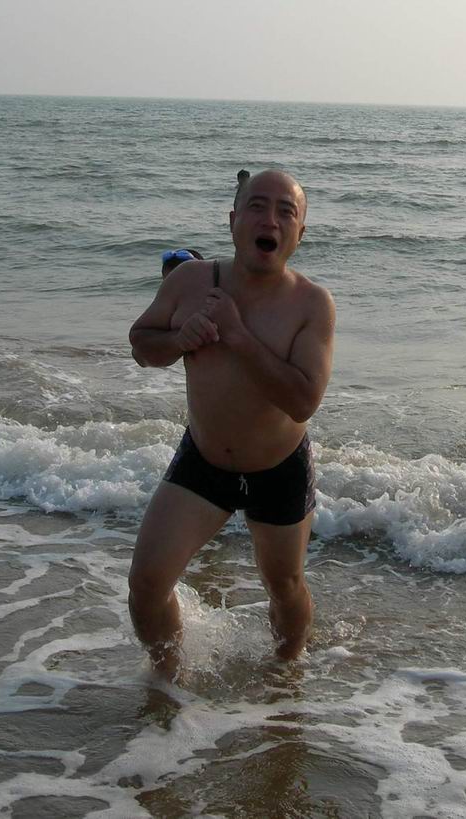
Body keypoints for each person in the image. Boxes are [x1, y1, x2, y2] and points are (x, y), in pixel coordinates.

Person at [128, 169, 336, 680]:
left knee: (284, 587)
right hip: (203, 463)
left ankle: (287, 675)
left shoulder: (312, 304)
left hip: (279, 469)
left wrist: (238, 337)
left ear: (300, 232)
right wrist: (178, 339)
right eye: (257, 206)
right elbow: (141, 346)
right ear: (233, 220)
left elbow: (303, 400)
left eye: (286, 211)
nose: (270, 220)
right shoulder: (189, 283)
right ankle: (169, 680)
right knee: (147, 584)